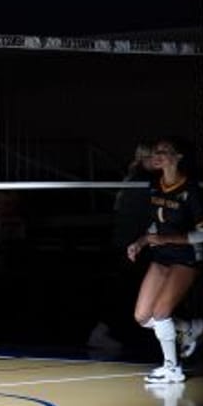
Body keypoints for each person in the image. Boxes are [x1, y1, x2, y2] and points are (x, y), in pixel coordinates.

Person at [127, 137, 203, 384]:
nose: (158, 155)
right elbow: (155, 224)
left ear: (178, 157)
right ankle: (186, 328)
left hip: (186, 256)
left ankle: (172, 368)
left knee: (161, 312)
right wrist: (141, 242)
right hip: (162, 256)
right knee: (142, 317)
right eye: (155, 151)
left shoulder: (190, 191)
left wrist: (168, 240)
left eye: (164, 151)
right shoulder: (155, 185)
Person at [89, 141, 156, 353]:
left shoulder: (138, 179)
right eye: (155, 156)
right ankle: (101, 333)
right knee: (126, 291)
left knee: (129, 291)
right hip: (131, 245)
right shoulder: (142, 181)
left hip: (131, 244)